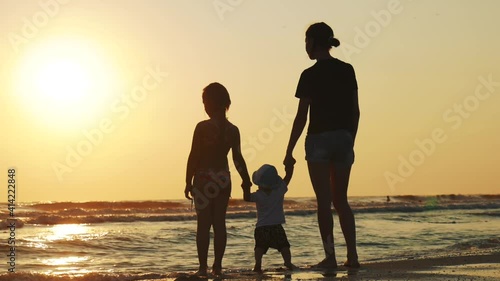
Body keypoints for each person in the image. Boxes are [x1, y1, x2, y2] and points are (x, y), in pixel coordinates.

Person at [283, 22, 360, 269]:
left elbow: (301, 117)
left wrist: (289, 149)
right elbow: (355, 111)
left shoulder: (309, 75)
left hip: (318, 140)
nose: (305, 46)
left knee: (324, 202)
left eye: (307, 41)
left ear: (315, 42)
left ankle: (330, 257)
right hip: (343, 138)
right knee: (341, 200)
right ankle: (353, 256)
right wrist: (351, 141)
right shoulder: (347, 69)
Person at [185, 82, 252, 276]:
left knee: (203, 225)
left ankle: (202, 268)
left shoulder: (202, 127)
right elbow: (237, 159)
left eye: (205, 102)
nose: (204, 106)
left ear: (213, 103)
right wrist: (245, 180)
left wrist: (188, 180)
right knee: (220, 223)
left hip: (204, 178)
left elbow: (194, 155)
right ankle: (218, 267)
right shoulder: (233, 130)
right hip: (223, 178)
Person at [243, 164, 297, 272]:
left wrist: (245, 186)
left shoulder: (258, 195)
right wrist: (290, 169)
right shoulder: (279, 191)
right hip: (276, 226)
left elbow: (246, 197)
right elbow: (287, 179)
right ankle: (288, 262)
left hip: (262, 227)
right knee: (284, 246)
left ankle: (258, 264)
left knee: (259, 247)